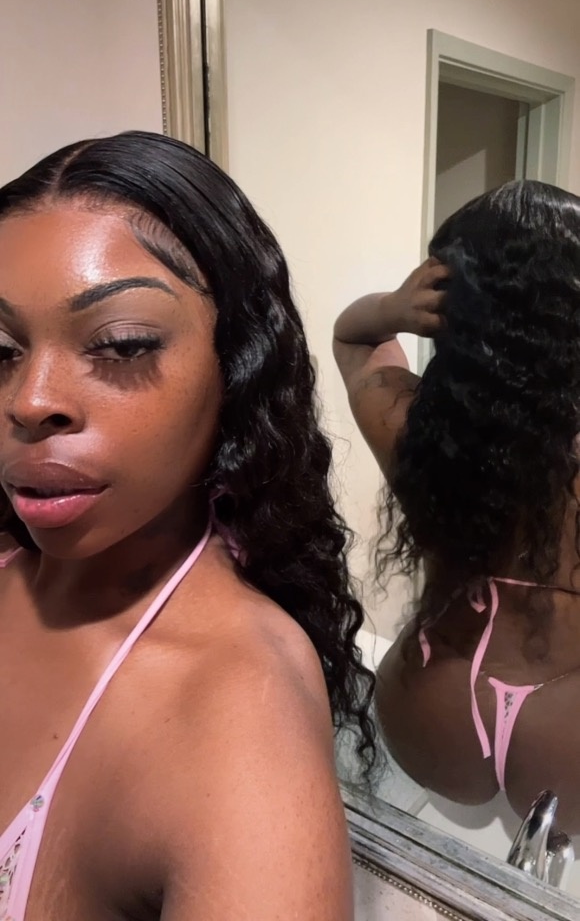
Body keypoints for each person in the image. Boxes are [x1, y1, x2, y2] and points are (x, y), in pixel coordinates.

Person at [0, 131, 374, 921]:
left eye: (121, 345)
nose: (31, 401)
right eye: (0, 351)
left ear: (237, 366)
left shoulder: (239, 710)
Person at [334, 180, 580, 834]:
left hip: (431, 702)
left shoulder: (414, 431)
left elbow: (352, 338)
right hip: (565, 723)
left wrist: (392, 307)